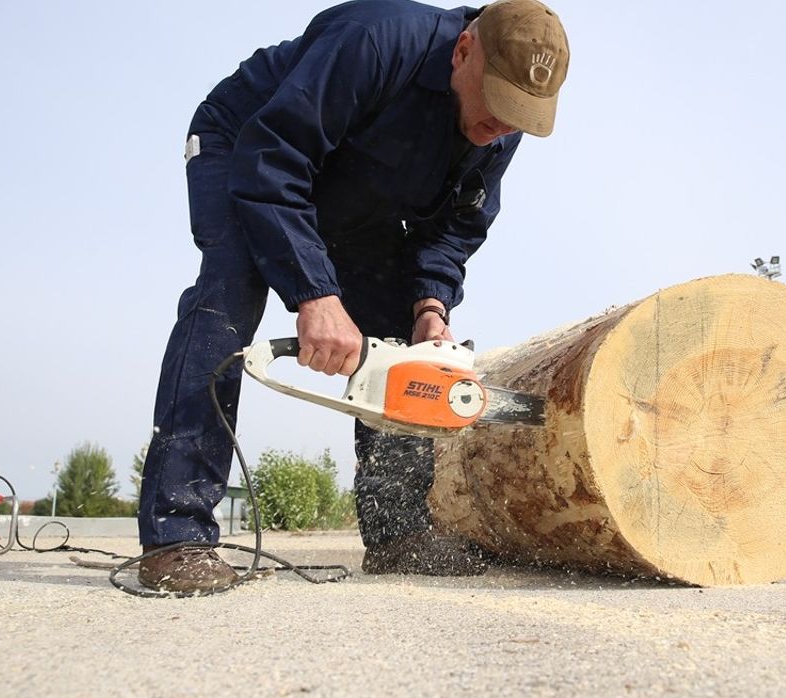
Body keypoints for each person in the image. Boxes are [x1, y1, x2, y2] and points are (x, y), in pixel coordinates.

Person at [136, 0, 570, 591]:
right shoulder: (374, 39)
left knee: (397, 331)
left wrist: (429, 308)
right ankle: (177, 534)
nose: (503, 125)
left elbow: (453, 228)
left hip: (353, 191)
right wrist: (315, 292)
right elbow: (275, 158)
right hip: (248, 144)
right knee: (229, 292)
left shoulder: (502, 124)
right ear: (464, 50)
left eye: (521, 115)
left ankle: (398, 533)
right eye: (496, 103)